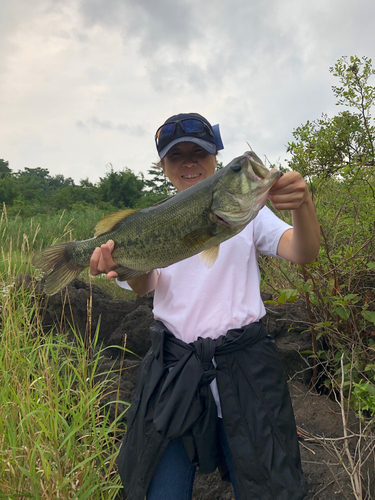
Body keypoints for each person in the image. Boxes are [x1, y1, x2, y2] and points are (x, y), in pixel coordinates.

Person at [90, 112, 320, 500]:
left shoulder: (249, 214)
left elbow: (303, 250)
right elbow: (147, 285)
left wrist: (303, 203)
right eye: (175, 156)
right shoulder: (153, 220)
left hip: (244, 366)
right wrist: (122, 266)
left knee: (268, 486)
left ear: (215, 157)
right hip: (173, 367)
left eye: (198, 152)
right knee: (157, 487)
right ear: (163, 166)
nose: (188, 163)